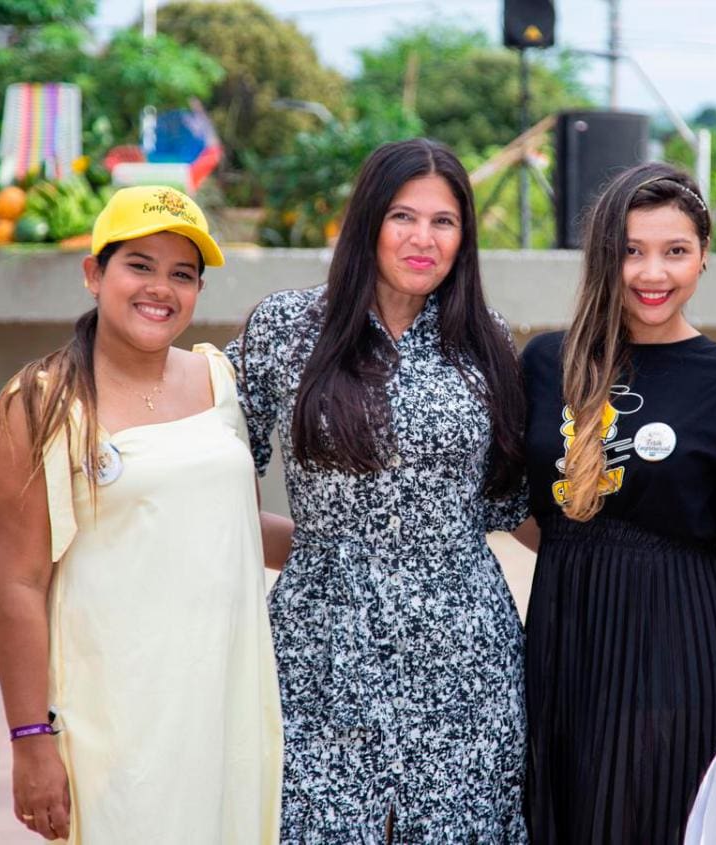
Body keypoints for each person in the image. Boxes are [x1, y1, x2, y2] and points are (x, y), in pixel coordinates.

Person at [225, 138, 529, 843]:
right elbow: (213, 469)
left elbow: (506, 503)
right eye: (403, 216)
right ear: (368, 221)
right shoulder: (286, 328)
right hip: (320, 645)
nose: (424, 238)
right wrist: (316, 551)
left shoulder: (488, 342)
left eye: (444, 221)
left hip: (463, 651)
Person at [0, 186, 285, 843]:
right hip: (113, 718)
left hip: (223, 704)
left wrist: (354, 544)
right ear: (94, 273)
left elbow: (232, 525)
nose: (160, 289)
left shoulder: (219, 381)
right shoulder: (40, 403)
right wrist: (31, 739)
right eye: (139, 265)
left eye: (182, 274)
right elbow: (19, 583)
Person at [519, 162, 716, 843]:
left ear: (704, 256)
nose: (651, 273)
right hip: (564, 633)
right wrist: (583, 554)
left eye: (675, 251)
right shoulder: (546, 362)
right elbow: (519, 505)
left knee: (651, 814)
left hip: (678, 635)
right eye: (630, 251)